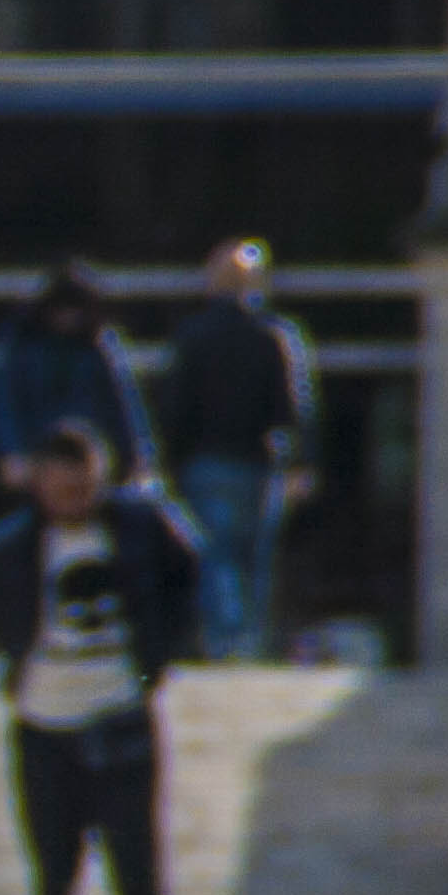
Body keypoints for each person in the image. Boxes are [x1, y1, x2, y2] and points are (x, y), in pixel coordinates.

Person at [0, 421, 206, 895]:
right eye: (61, 481)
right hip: (45, 722)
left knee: (136, 869)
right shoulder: (14, 546)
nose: (73, 493)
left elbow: (189, 575)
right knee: (53, 876)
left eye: (83, 482)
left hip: (119, 714)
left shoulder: (137, 529)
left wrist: (156, 659)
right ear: (41, 483)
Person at [161, 236, 318, 660]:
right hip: (259, 463)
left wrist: (168, 461)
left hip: (205, 462)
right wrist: (301, 463)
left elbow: (177, 405)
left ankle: (221, 640)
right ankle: (250, 641)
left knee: (215, 556)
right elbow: (293, 407)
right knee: (254, 559)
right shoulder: (274, 337)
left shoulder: (193, 336)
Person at [0, 264, 156, 494]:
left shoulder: (104, 345)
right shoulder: (21, 346)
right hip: (41, 459)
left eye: (75, 309)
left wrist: (141, 458)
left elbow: (128, 403)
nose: (68, 317)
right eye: (61, 309)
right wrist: (12, 453)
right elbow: (6, 403)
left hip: (98, 460)